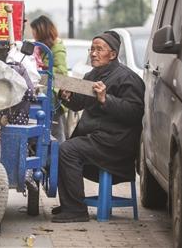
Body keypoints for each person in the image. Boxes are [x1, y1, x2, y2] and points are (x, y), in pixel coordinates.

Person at [51, 31, 145, 223]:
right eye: (92, 49)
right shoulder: (91, 75)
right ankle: (71, 204)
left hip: (116, 142)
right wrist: (66, 96)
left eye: (99, 49)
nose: (93, 53)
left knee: (67, 150)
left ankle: (76, 210)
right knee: (60, 149)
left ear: (113, 54)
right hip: (96, 138)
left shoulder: (128, 78)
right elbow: (79, 103)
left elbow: (134, 113)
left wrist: (105, 99)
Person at [30, 15, 68, 143]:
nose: (33, 35)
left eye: (35, 32)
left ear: (41, 31)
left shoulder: (57, 48)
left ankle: (59, 159)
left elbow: (62, 72)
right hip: (41, 90)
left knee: (56, 133)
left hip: (53, 96)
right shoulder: (39, 48)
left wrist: (45, 67)